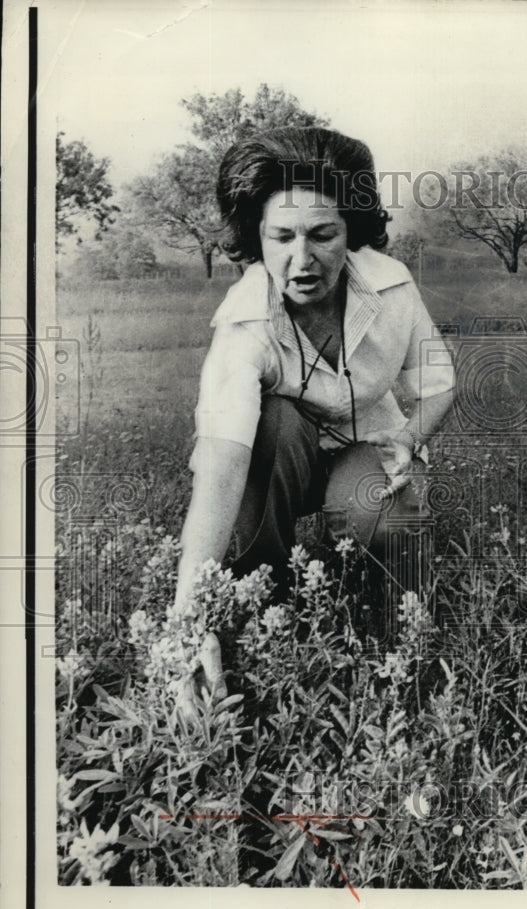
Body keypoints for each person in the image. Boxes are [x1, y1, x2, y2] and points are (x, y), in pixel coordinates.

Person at [174, 126, 454, 696]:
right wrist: (186, 618)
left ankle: (397, 627)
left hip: (362, 449)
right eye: (281, 237)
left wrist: (408, 440)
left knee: (387, 509)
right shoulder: (244, 324)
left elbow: (439, 383)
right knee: (272, 419)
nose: (301, 260)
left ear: (351, 234)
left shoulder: (391, 287)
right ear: (258, 238)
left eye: (322, 235)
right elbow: (224, 464)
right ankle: (265, 592)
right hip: (279, 456)